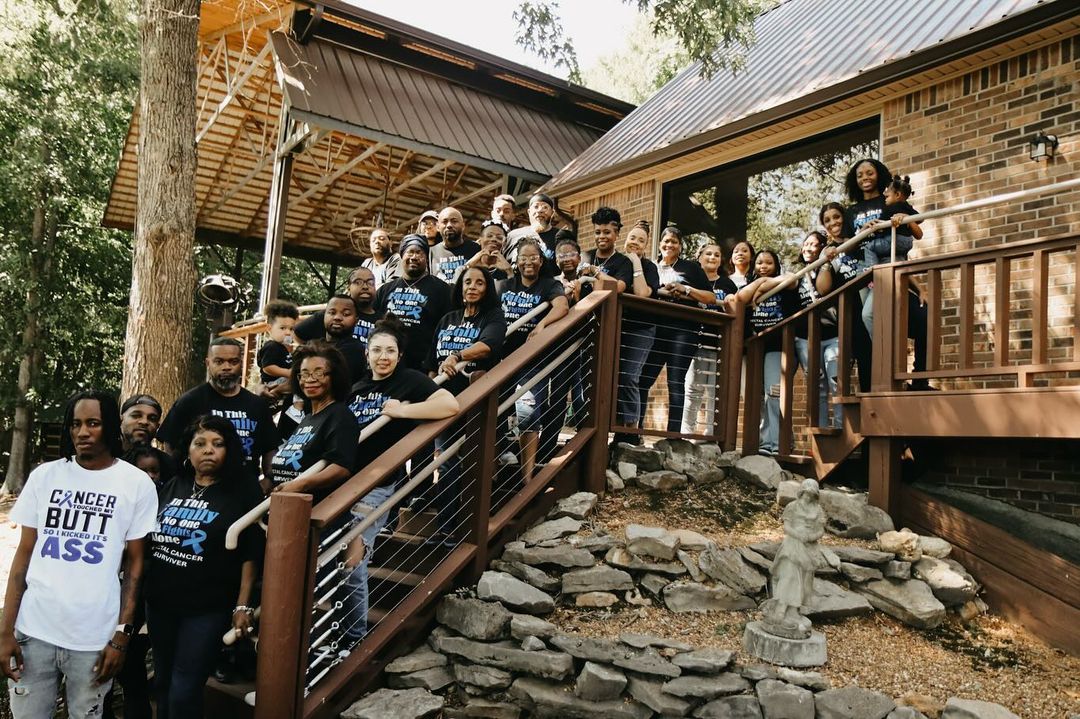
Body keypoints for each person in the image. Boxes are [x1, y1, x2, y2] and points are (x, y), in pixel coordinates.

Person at [1, 390, 158, 719]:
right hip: (34, 632)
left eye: (93, 423)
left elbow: (135, 565)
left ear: (110, 427)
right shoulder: (46, 476)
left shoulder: (136, 484)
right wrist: (5, 630)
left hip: (94, 638)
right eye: (75, 424)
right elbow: (23, 555)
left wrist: (121, 635)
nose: (82, 432)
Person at [340, 316, 459, 644]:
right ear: (366, 354)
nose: (383, 357)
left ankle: (353, 640)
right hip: (343, 483)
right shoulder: (356, 388)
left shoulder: (409, 380)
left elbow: (449, 404)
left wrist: (402, 411)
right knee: (333, 556)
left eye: (390, 351)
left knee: (353, 559)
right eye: (377, 350)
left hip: (376, 484)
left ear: (400, 355)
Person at [145, 416, 262, 719]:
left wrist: (243, 604)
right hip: (160, 603)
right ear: (188, 450)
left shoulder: (243, 490)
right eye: (200, 444)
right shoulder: (175, 485)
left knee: (184, 690)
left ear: (229, 449)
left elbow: (251, 552)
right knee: (162, 683)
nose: (208, 450)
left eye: (217, 444)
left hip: (206, 608)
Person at [159, 338, 280, 482]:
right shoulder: (189, 401)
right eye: (219, 361)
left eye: (233, 362)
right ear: (208, 363)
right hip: (199, 488)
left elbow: (270, 448)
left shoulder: (257, 405)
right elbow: (170, 445)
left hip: (244, 489)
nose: (226, 367)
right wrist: (178, 481)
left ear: (241, 364)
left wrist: (269, 480)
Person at [579, 208, 652, 445]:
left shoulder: (623, 261)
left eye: (607, 232)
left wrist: (593, 273)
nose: (602, 236)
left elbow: (618, 287)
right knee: (588, 378)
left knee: (625, 377)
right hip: (588, 327)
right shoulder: (585, 256)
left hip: (619, 328)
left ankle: (629, 433)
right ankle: (586, 429)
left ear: (617, 233)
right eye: (598, 232)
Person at [498, 239, 569, 477]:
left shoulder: (549, 285)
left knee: (527, 412)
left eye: (533, 257)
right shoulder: (504, 286)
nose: (528, 262)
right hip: (502, 359)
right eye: (523, 257)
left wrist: (542, 325)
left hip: (532, 360)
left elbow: (562, 306)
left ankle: (526, 476)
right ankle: (494, 467)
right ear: (516, 262)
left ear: (541, 261)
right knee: (494, 411)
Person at [638, 225, 711, 434]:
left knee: (675, 382)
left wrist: (685, 289)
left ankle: (673, 436)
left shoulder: (691, 268)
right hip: (654, 331)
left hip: (683, 332)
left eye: (674, 242)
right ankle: (635, 431)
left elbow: (710, 297)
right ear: (660, 243)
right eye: (666, 241)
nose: (669, 245)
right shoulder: (650, 267)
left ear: (680, 246)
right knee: (643, 380)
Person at [860, 174, 931, 390]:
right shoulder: (889, 211)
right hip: (883, 272)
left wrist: (905, 219)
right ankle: (885, 355)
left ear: (897, 194)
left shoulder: (896, 209)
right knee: (869, 314)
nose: (884, 196)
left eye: (887, 193)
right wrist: (869, 228)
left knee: (923, 318)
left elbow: (915, 237)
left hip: (893, 268)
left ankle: (919, 380)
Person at [269, 342, 360, 503]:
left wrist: (300, 485)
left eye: (319, 373)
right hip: (284, 505)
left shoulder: (340, 415)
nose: (310, 380)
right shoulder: (307, 418)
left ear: (334, 376)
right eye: (304, 374)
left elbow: (341, 467)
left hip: (312, 508)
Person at [734, 250, 802, 456]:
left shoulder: (784, 285)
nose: (763, 266)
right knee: (760, 397)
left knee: (774, 394)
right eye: (759, 263)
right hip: (756, 349)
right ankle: (770, 441)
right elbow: (740, 298)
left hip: (779, 346)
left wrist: (765, 285)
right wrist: (760, 283)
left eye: (769, 263)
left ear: (776, 265)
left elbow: (793, 279)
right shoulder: (750, 286)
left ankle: (776, 444)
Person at [681, 241, 739, 435]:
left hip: (717, 342)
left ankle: (711, 434)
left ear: (721, 260)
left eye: (716, 255)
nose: (712, 257)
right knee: (693, 389)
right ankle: (686, 432)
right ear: (699, 257)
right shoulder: (690, 279)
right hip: (694, 341)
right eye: (708, 253)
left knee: (714, 390)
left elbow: (735, 310)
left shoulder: (727, 284)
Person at [375, 235, 452, 371]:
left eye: (419, 253)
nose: (414, 257)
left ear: (426, 258)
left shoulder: (442, 289)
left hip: (422, 365)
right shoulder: (385, 290)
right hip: (387, 361)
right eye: (410, 252)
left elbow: (447, 327)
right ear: (401, 256)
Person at [428, 266, 506, 395]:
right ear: (461, 287)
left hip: (475, 394)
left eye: (479, 283)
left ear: (487, 289)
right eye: (467, 282)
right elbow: (432, 365)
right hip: (443, 394)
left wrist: (456, 356)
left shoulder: (494, 315)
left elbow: (487, 346)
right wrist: (430, 393)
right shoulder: (448, 318)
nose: (472, 287)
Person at [820, 201, 873, 392]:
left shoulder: (860, 238)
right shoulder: (828, 251)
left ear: (845, 217)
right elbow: (823, 289)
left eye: (836, 216)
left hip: (872, 298)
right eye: (827, 220)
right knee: (864, 354)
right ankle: (868, 396)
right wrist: (826, 261)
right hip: (850, 308)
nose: (833, 222)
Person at [793, 231, 841, 427]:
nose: (808, 248)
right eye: (806, 244)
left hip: (832, 334)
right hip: (805, 338)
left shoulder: (831, 267)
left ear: (822, 248)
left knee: (837, 382)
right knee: (817, 387)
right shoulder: (796, 275)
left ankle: (840, 427)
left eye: (813, 244)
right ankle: (820, 429)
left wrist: (826, 262)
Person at [295, 267, 382, 349]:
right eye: (358, 282)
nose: (365, 287)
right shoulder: (330, 316)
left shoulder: (381, 320)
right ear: (348, 287)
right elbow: (297, 334)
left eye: (370, 283)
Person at [120, 393, 176, 484]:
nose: (144, 422)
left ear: (157, 426)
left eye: (152, 418)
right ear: (121, 420)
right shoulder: (105, 459)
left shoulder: (168, 466)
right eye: (136, 415)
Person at [258, 300, 298, 410]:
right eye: (282, 328)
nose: (288, 332)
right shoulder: (271, 347)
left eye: (291, 329)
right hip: (273, 382)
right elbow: (268, 368)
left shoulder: (283, 347)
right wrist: (288, 373)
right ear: (269, 328)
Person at [843, 157, 893, 239]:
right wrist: (862, 233)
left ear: (879, 175)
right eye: (859, 176)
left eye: (870, 174)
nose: (865, 178)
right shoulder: (850, 211)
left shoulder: (890, 201)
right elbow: (846, 243)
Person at [430, 206, 481, 284]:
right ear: (438, 227)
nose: (449, 225)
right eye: (445, 222)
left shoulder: (475, 248)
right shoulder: (431, 252)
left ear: (463, 226)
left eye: (454, 221)